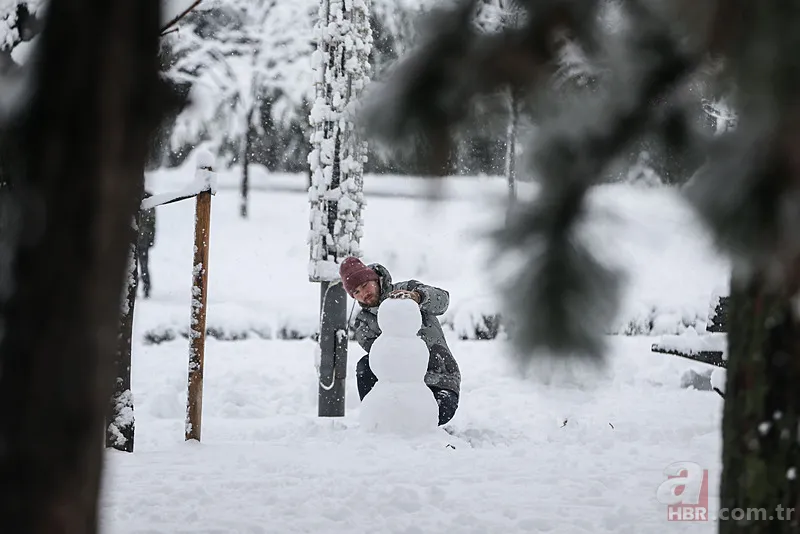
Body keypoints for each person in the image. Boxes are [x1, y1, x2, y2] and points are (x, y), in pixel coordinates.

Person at [339, 256, 461, 426]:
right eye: (356, 292)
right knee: (365, 366)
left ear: (374, 279)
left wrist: (418, 297)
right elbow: (383, 361)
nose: (363, 294)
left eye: (365, 285)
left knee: (435, 415)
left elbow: (443, 300)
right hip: (400, 389)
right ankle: (377, 419)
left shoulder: (408, 289)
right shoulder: (363, 323)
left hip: (439, 378)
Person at [137, 190, 156, 298]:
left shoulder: (147, 197)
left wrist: (150, 238)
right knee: (137, 266)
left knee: (143, 266)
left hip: (142, 240)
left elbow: (152, 222)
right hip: (140, 239)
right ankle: (137, 287)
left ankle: (146, 288)